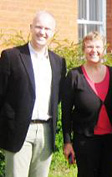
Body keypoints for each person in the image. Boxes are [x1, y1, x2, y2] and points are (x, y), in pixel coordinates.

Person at [0, 11, 66, 177]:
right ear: (31, 28)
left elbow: (58, 97)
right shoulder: (11, 56)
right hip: (19, 131)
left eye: (47, 28)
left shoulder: (58, 62)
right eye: (38, 27)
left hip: (46, 131)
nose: (42, 32)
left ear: (52, 32)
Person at [61, 31, 112, 177]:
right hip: (85, 141)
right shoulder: (74, 75)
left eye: (97, 47)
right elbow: (66, 112)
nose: (94, 50)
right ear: (83, 50)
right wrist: (67, 142)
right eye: (89, 47)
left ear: (104, 50)